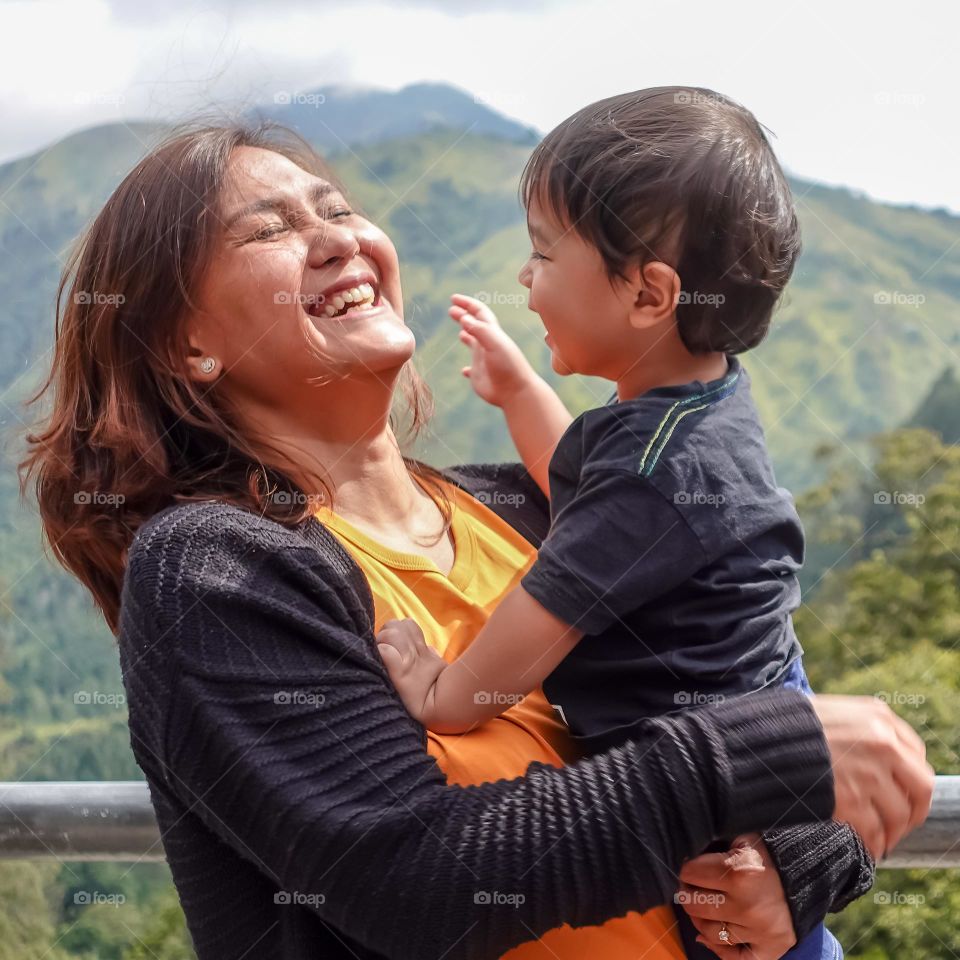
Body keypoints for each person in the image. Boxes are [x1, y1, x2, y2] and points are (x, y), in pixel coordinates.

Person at [18, 120, 933, 960]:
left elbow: (758, 679)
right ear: (188, 345)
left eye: (338, 209)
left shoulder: (535, 510)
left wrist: (802, 862)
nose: (337, 236)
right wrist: (747, 760)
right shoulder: (216, 572)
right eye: (270, 230)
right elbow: (406, 879)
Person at [371, 87, 871, 959]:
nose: (525, 278)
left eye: (541, 254)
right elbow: (600, 508)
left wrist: (442, 694)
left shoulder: (657, 467)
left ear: (648, 294)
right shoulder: (692, 409)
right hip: (757, 714)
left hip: (725, 802)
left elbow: (547, 606)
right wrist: (525, 393)